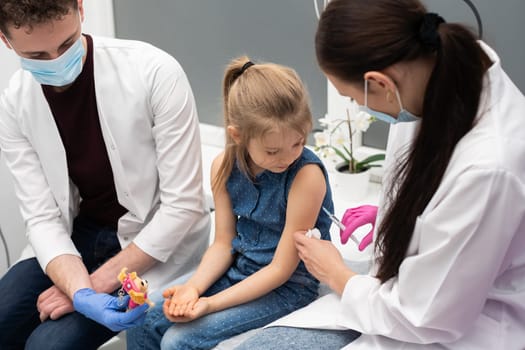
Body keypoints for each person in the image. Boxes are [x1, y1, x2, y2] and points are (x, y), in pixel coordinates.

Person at [235, 0, 525, 349]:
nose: (359, 107)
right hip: (393, 291)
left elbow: (426, 316)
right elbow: (445, 196)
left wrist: (336, 273)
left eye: (354, 98)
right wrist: (407, 216)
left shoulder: (489, 168)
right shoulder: (431, 78)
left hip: (453, 327)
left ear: (380, 84)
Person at [0, 0, 210, 348]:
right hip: (78, 235)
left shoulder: (154, 72)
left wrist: (90, 288)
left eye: (67, 44)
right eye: (37, 56)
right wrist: (78, 289)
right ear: (6, 41)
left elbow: (182, 207)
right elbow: (42, 217)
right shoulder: (15, 103)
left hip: (154, 240)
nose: (56, 62)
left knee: (48, 345)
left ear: (80, 9)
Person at [126, 56, 335, 349]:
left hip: (288, 287)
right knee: (143, 317)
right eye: (273, 151)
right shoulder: (224, 166)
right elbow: (223, 244)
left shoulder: (306, 176)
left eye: (298, 143)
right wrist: (193, 288)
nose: (287, 157)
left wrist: (209, 304)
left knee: (179, 341)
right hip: (238, 270)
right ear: (238, 136)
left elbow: (280, 270)